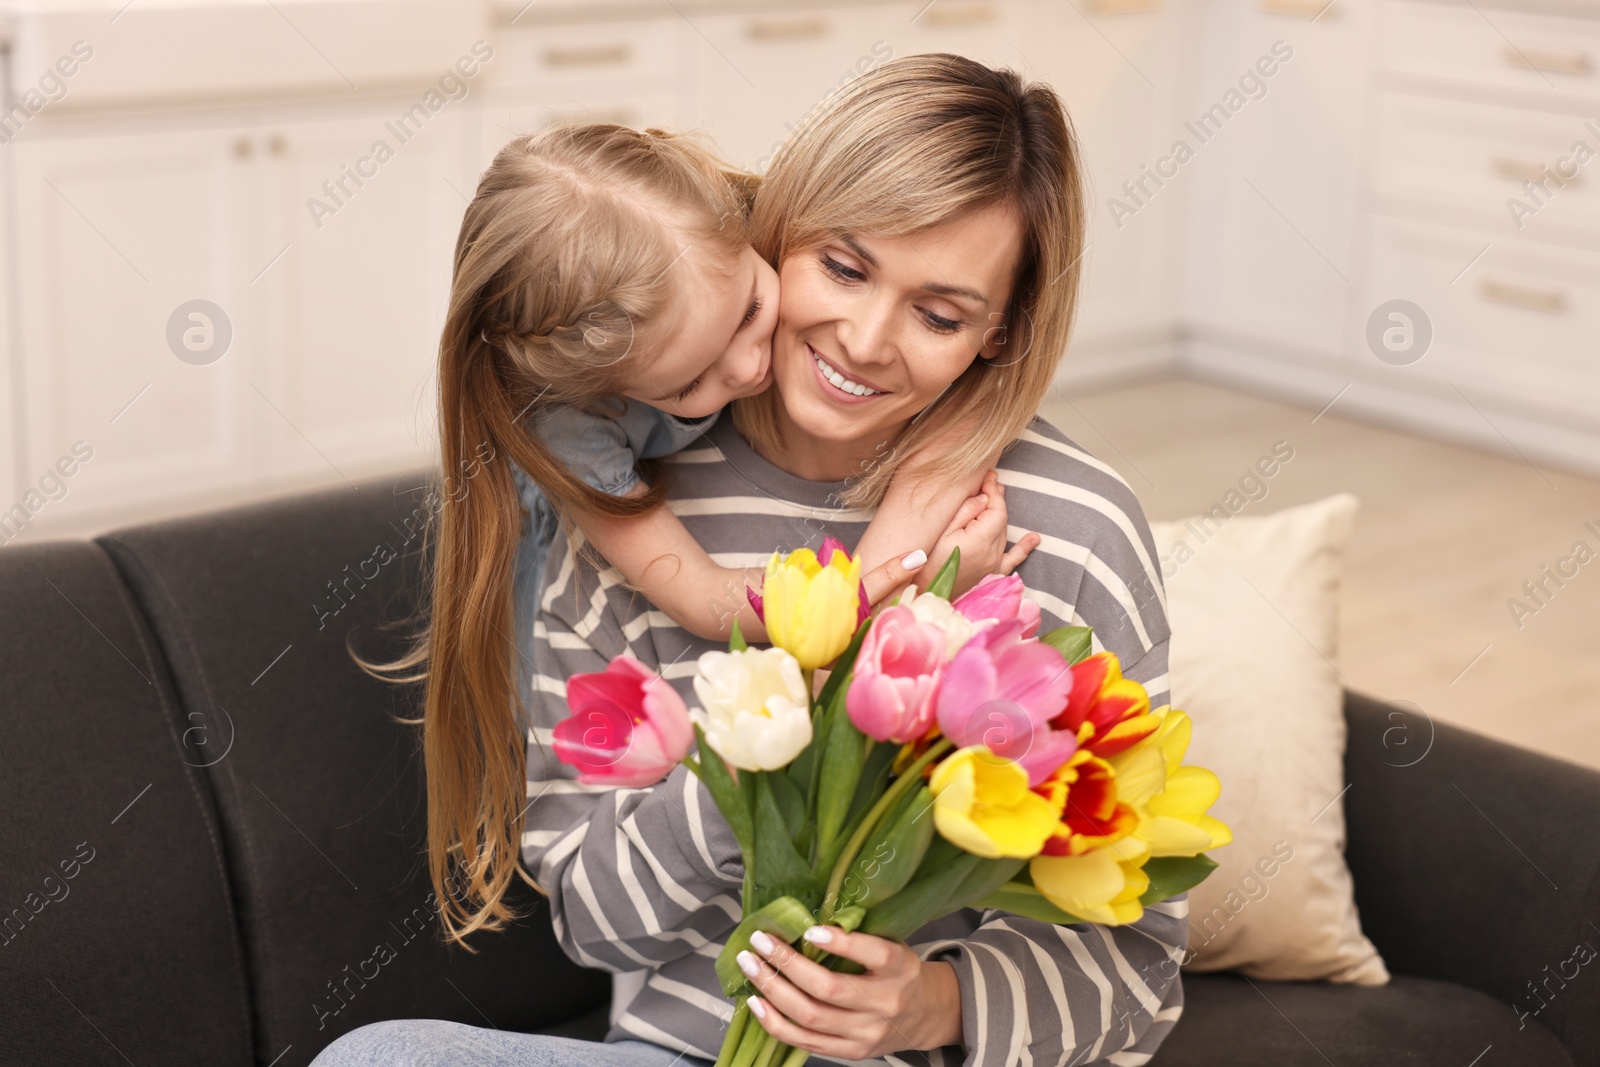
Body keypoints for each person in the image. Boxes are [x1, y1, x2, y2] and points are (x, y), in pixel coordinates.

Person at [322, 55, 1184, 1067]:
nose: (864, 340)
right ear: (771, 233)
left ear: (1003, 331)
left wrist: (936, 1004)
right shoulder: (630, 514)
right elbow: (597, 921)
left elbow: (1137, 970)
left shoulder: (1074, 524)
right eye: (844, 267)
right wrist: (775, 726)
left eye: (941, 313)